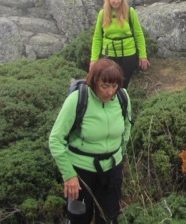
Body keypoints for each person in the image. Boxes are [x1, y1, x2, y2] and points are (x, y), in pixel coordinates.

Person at [49, 59, 131, 224]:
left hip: (111, 171)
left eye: (114, 86)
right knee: (79, 218)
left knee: (109, 218)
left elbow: (127, 126)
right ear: (93, 82)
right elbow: (55, 139)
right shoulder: (78, 99)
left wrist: (120, 155)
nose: (110, 92)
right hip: (80, 174)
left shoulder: (122, 97)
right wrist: (69, 175)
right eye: (104, 86)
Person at [91, 0, 149, 88]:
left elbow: (138, 34)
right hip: (109, 55)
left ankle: (123, 102)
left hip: (128, 55)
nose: (116, 1)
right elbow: (97, 37)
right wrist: (94, 59)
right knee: (110, 84)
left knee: (123, 86)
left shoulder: (130, 12)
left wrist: (143, 56)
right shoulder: (102, 14)